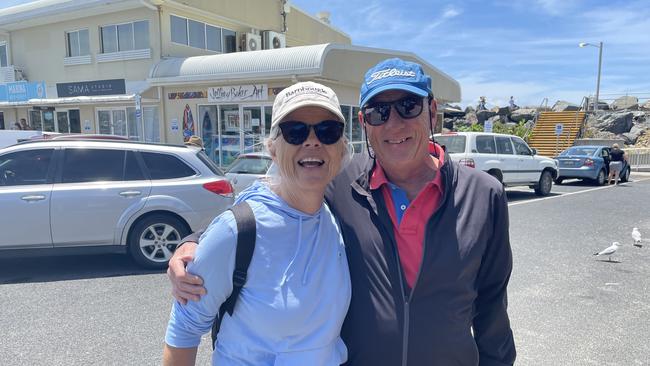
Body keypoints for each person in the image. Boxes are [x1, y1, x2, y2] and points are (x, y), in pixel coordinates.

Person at [168, 58, 516, 365]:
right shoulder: (340, 182)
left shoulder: (484, 194)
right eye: (379, 112)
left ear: (433, 112)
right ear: (365, 123)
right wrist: (194, 242)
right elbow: (269, 201)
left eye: (408, 106)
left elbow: (492, 309)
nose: (393, 124)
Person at [163, 81, 352, 365]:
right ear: (273, 149)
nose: (312, 141)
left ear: (341, 148)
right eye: (295, 131)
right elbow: (184, 330)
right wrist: (190, 243)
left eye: (328, 131)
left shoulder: (337, 216)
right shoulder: (237, 230)